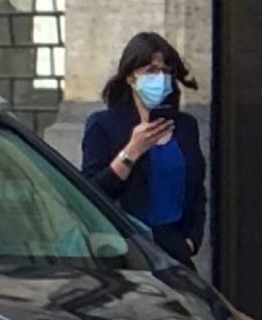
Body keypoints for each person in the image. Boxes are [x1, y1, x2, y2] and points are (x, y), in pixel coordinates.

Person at [82, 31, 208, 263]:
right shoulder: (104, 125)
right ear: (130, 77)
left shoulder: (185, 126)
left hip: (174, 249)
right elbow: (90, 194)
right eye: (151, 71)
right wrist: (132, 150)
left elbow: (197, 190)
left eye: (166, 71)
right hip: (127, 250)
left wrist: (192, 240)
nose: (160, 78)